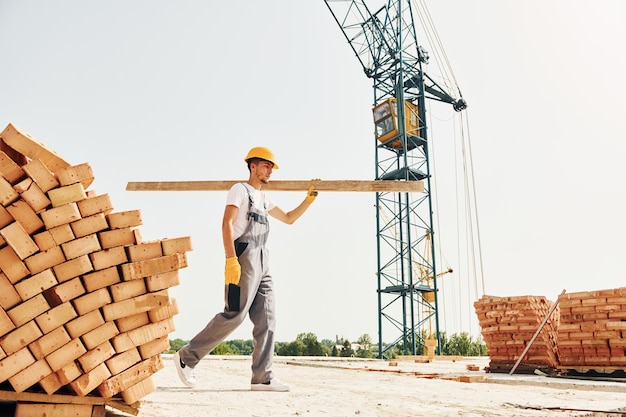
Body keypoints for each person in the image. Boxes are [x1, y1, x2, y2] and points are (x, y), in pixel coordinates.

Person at [174, 146, 317, 392]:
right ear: (253, 165)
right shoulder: (240, 190)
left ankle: (262, 377)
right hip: (244, 256)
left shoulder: (264, 198)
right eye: (266, 165)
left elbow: (290, 218)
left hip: (263, 259)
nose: (270, 170)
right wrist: (231, 259)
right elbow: (226, 223)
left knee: (267, 318)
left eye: (272, 167)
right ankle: (186, 357)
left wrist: (308, 199)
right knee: (236, 314)